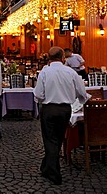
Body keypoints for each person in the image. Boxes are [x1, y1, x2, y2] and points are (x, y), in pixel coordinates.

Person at [33, 47, 89, 185]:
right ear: (63, 57)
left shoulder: (45, 72)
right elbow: (82, 92)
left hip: (49, 109)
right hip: (65, 109)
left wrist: (44, 99)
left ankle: (53, 172)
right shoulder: (70, 72)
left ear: (49, 58)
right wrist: (82, 100)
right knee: (57, 138)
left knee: (50, 139)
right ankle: (46, 167)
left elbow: (38, 94)